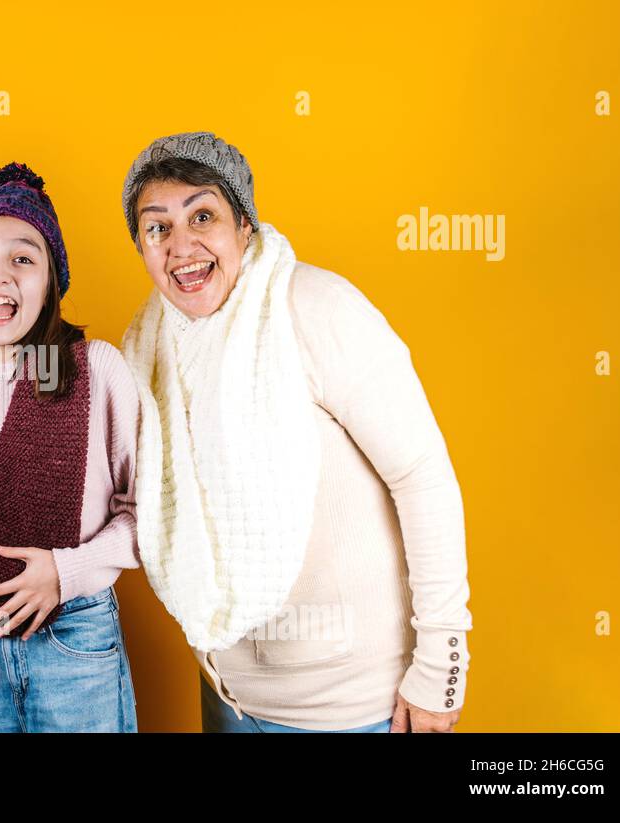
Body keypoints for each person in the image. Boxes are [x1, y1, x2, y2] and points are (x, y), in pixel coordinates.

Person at [119, 132, 473, 733]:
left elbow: (423, 478)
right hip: (229, 697)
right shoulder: (146, 348)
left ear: (245, 226)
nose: (181, 246)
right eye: (157, 228)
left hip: (353, 711)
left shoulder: (314, 307)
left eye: (202, 216)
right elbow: (134, 505)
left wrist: (442, 666)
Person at [0, 163, 140, 732]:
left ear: (50, 284)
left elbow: (150, 512)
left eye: (23, 259)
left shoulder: (96, 369)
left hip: (74, 631)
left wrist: (67, 571)